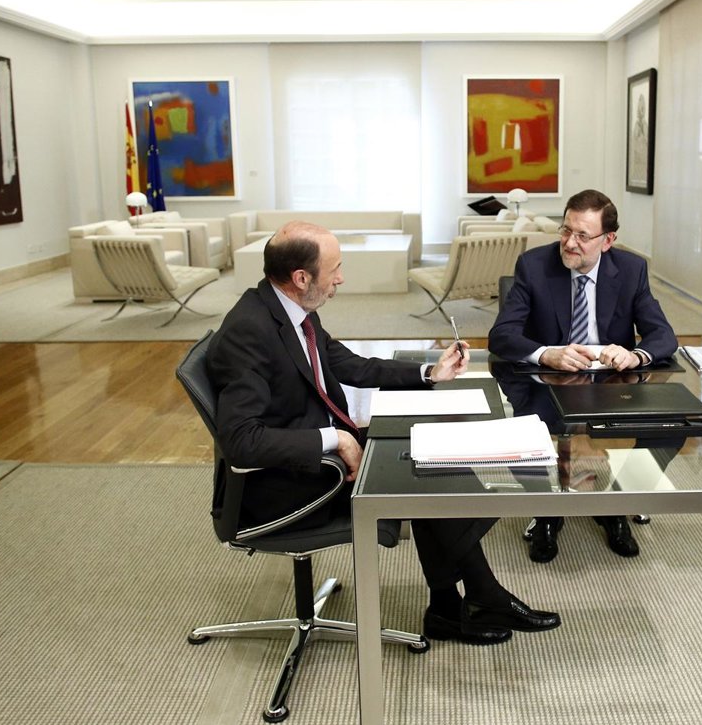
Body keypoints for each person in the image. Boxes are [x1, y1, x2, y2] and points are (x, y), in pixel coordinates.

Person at [207, 221, 560, 645]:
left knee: (436, 457)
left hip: (314, 458)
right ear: (301, 278)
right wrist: (336, 439)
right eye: (335, 269)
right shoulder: (250, 330)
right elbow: (241, 441)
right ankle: (471, 600)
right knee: (435, 477)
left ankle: (455, 606)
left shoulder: (290, 308)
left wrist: (430, 372)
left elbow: (349, 364)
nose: (340, 278)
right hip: (285, 486)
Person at [488, 189, 679, 563]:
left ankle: (618, 504)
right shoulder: (534, 265)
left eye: (582, 235)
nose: (569, 243)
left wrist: (634, 354)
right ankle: (546, 512)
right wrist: (548, 353)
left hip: (611, 382)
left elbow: (663, 335)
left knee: (672, 427)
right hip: (549, 378)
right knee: (526, 428)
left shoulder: (631, 270)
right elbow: (502, 334)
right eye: (566, 230)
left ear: (608, 240)